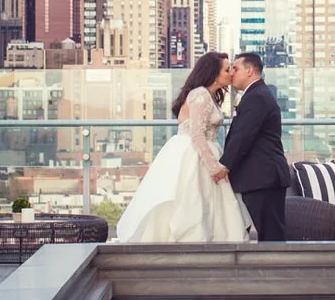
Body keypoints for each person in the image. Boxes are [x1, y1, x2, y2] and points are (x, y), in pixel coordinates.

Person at [114, 51, 251, 243]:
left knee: (207, 202)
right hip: (195, 153)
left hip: (205, 150)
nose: (231, 73)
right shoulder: (200, 95)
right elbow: (197, 134)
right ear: (213, 73)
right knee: (192, 200)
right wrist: (214, 167)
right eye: (227, 69)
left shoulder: (208, 95)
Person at [219, 52, 292, 242]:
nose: (232, 73)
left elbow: (243, 136)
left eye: (235, 68)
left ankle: (275, 270)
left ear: (249, 70)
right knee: (270, 234)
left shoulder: (256, 97)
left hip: (263, 178)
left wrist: (224, 166)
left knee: (271, 236)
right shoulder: (256, 94)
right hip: (262, 178)